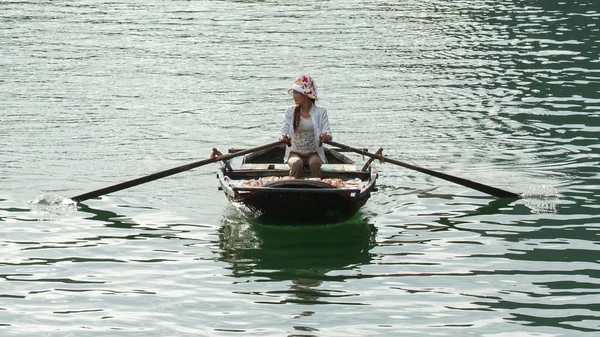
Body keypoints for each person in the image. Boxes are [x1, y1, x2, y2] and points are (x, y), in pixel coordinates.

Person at [279, 75, 332, 178]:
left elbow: (328, 133)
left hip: (314, 153)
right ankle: (292, 188)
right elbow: (283, 130)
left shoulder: (321, 112)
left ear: (305, 95)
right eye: (293, 93)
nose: (293, 96)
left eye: (296, 93)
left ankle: (317, 190)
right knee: (297, 164)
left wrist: (326, 137)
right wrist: (283, 137)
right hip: (295, 153)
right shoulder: (290, 110)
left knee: (314, 164)